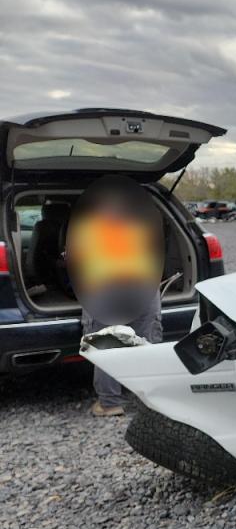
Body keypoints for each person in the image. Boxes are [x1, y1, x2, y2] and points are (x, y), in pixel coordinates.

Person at [66, 176, 165, 417]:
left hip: (106, 290)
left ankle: (110, 403)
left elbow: (73, 261)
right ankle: (156, 400)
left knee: (107, 344)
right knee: (148, 343)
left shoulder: (87, 229)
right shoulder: (140, 227)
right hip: (143, 288)